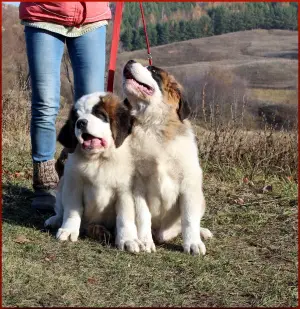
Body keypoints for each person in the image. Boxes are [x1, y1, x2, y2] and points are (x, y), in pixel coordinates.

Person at [19, 2, 111, 212]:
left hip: (91, 16)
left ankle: (78, 173)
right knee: (45, 103)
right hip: (43, 13)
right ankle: (45, 182)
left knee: (92, 107)